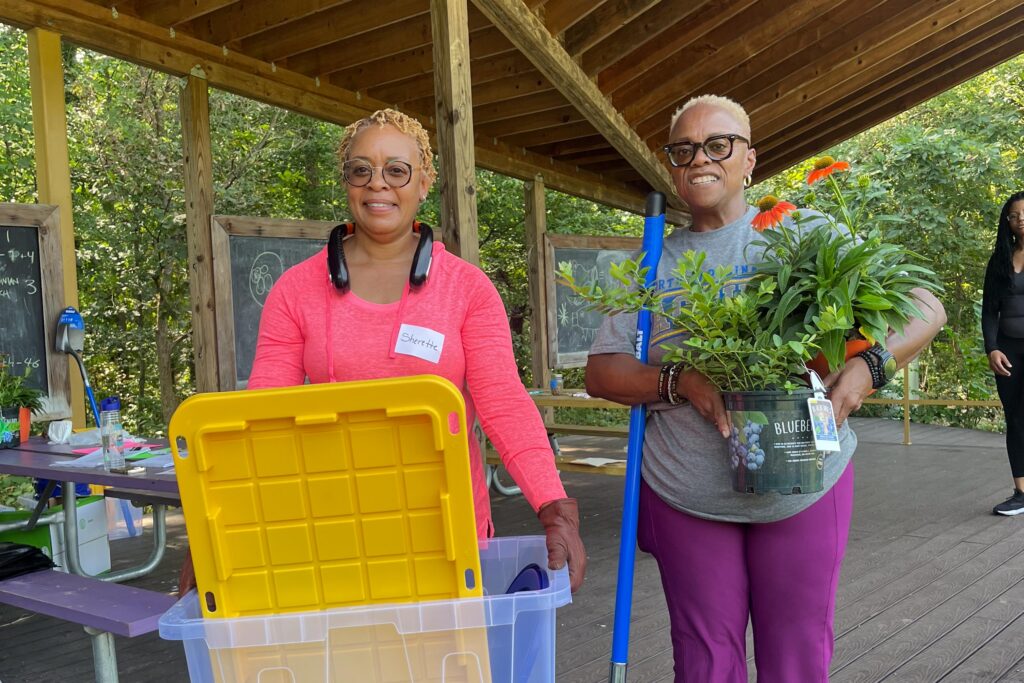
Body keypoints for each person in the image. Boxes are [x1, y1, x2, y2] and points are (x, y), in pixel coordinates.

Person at [586, 95, 945, 682]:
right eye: (684, 149)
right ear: (672, 167)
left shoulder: (806, 232)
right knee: (705, 662)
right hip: (688, 492)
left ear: (750, 158)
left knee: (797, 655)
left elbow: (926, 308)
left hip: (804, 481)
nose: (700, 158)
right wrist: (682, 381)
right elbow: (602, 371)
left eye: (718, 144)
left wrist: (862, 376)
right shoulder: (652, 262)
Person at [179, 108, 585, 594]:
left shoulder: (467, 289)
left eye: (397, 170)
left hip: (449, 536)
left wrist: (555, 506)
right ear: (347, 181)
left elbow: (503, 402)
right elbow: (262, 420)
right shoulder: (296, 290)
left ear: (425, 181)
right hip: (328, 535)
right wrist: (214, 530)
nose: (378, 185)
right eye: (361, 170)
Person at [983, 191, 1024, 516]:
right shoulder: (999, 260)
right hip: (1009, 351)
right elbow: (988, 312)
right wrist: (992, 348)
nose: (1020, 218)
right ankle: (1021, 493)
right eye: (1014, 215)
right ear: (1007, 222)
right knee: (1016, 420)